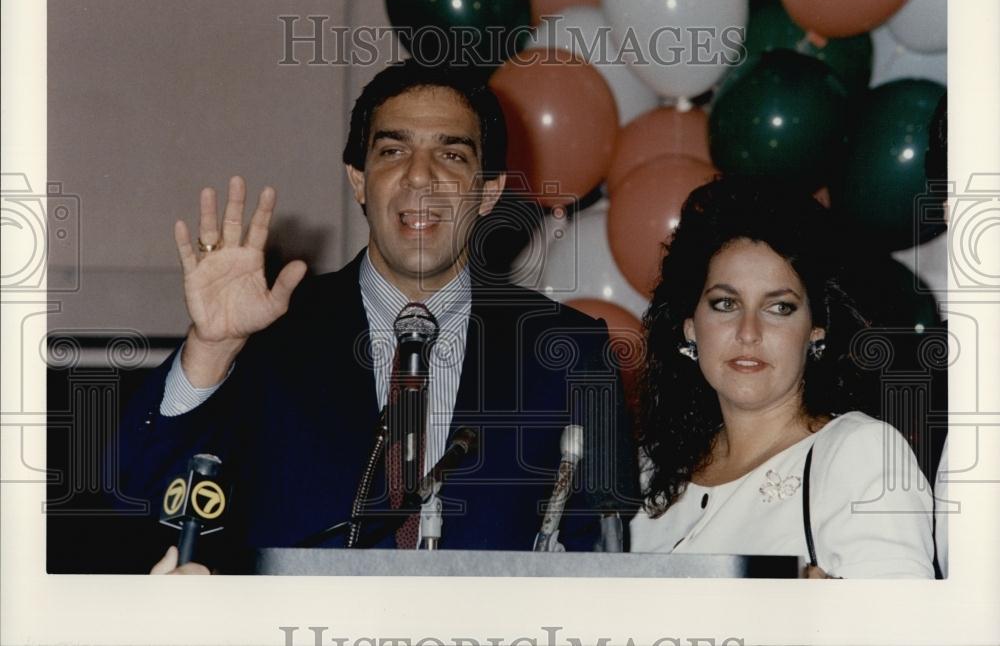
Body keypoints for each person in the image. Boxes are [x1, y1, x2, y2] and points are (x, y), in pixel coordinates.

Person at [118, 61, 637, 572]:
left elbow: (604, 560)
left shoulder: (571, 354)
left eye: (451, 155)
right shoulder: (268, 335)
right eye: (393, 151)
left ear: (489, 192)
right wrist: (212, 348)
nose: (420, 176)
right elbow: (138, 501)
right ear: (359, 180)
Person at [629, 176, 935, 578]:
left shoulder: (858, 455)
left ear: (815, 332)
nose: (748, 331)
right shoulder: (648, 469)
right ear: (690, 327)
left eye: (779, 308)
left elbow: (904, 631)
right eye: (725, 304)